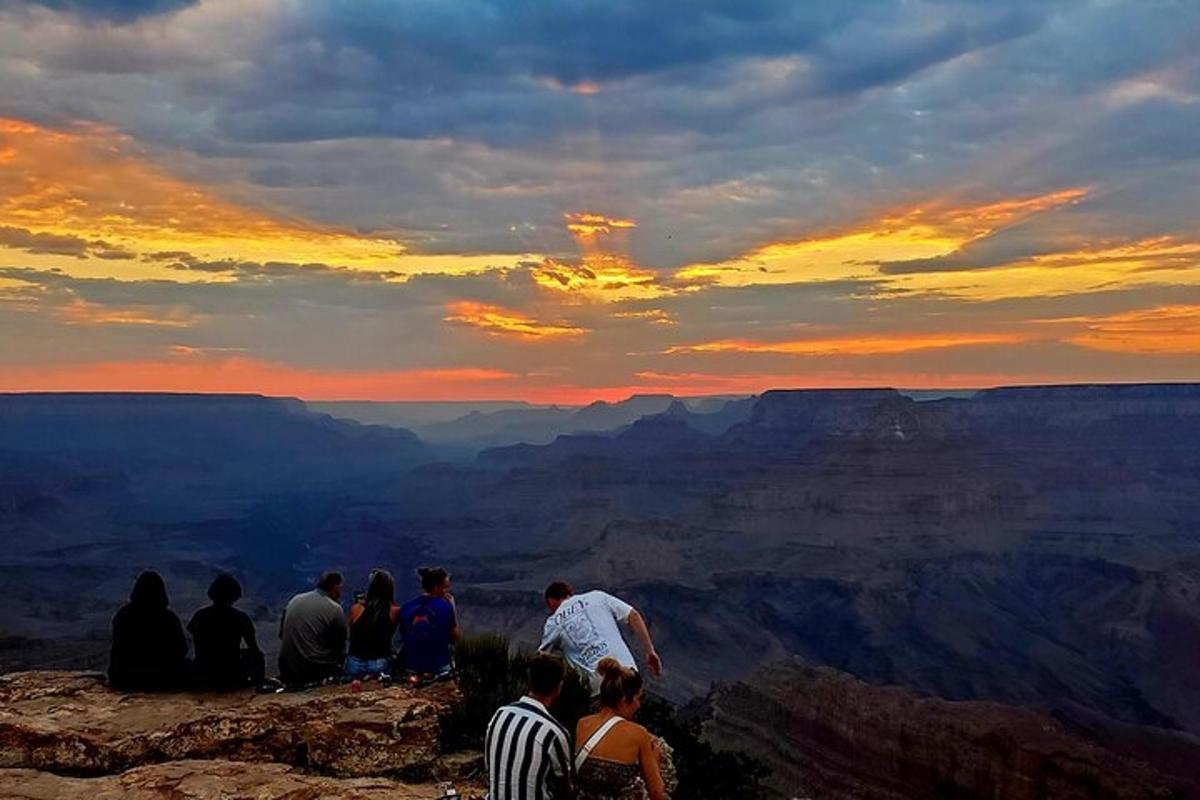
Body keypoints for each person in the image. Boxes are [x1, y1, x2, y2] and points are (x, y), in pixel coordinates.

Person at [539, 581, 661, 693]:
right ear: (570, 593)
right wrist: (650, 650)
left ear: (550, 602)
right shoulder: (597, 596)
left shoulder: (553, 622)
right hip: (628, 673)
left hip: (599, 688)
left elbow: (543, 659)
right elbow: (633, 615)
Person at [574, 658, 668, 800]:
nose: (639, 705)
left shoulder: (582, 724)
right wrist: (654, 763)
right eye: (638, 698)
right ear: (624, 700)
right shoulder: (639, 734)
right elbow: (657, 793)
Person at [485, 653, 573, 800]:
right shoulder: (553, 732)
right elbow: (565, 788)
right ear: (559, 686)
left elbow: (491, 768)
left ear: (530, 681)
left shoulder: (499, 715)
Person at [108, 571, 189, 691]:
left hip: (125, 677)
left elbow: (118, 648)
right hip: (163, 678)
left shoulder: (123, 615)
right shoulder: (168, 618)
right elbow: (181, 649)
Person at [187, 573, 265, 690]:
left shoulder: (200, 616)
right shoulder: (241, 618)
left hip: (203, 672)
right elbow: (254, 649)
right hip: (231, 673)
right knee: (257, 656)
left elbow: (197, 644)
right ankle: (258, 686)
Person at [278, 571, 348, 684]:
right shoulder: (334, 608)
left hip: (286, 667)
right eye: (340, 588)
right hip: (314, 669)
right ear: (335, 587)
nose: (341, 592)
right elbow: (340, 643)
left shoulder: (295, 599)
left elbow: (281, 635)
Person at [398, 566, 460, 678]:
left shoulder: (406, 607)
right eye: (445, 587)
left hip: (411, 665)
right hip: (438, 665)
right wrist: (452, 608)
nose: (447, 591)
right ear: (436, 587)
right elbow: (455, 638)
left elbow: (404, 634)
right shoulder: (445, 606)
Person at [345, 568, 401, 677]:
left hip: (354, 664)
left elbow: (350, 633)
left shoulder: (356, 609)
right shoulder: (394, 611)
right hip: (378, 664)